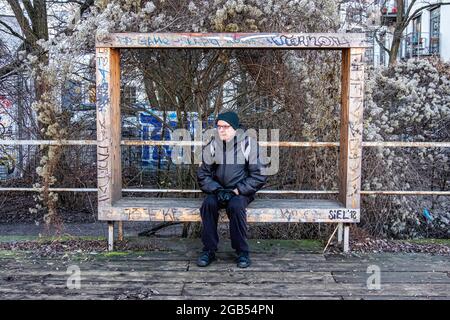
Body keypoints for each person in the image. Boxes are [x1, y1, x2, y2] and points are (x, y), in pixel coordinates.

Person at [196, 111, 267, 268]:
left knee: (236, 206)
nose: (221, 130)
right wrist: (216, 190)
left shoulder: (248, 144)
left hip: (240, 192)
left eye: (225, 127)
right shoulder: (214, 145)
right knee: (208, 205)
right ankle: (209, 250)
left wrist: (237, 190)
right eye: (219, 126)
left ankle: (242, 252)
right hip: (219, 191)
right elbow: (203, 174)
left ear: (235, 128)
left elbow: (259, 175)